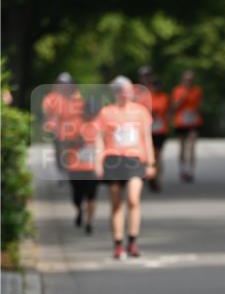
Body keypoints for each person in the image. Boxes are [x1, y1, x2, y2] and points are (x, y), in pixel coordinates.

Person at [94, 76, 155, 259]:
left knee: (133, 199)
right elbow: (99, 139)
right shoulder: (106, 112)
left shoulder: (141, 112)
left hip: (134, 159)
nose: (127, 93)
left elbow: (147, 137)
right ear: (116, 92)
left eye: (129, 90)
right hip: (113, 159)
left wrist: (151, 162)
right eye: (123, 90)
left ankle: (133, 241)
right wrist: (98, 163)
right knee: (116, 204)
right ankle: (118, 243)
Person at [65, 97, 99, 234]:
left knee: (91, 196)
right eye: (87, 111)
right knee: (76, 197)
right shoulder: (74, 123)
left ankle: (89, 222)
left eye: (92, 112)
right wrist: (76, 141)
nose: (90, 114)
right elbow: (65, 142)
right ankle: (79, 210)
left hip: (93, 167)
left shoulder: (100, 124)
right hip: (76, 167)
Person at [41, 72, 84, 173]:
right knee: (60, 151)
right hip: (58, 130)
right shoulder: (51, 97)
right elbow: (47, 113)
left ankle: (72, 170)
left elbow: (81, 112)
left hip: (74, 130)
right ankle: (62, 170)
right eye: (62, 83)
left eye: (67, 84)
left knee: (73, 151)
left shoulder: (75, 96)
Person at [171, 70, 203, 181]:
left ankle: (191, 171)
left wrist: (196, 112)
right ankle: (182, 169)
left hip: (193, 121)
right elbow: (174, 106)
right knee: (182, 146)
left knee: (192, 145)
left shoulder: (197, 91)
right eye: (186, 79)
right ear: (182, 79)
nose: (188, 81)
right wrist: (183, 97)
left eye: (190, 79)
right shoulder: (177, 90)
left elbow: (199, 105)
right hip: (181, 122)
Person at [147, 75, 170, 192]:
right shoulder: (145, 97)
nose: (155, 87)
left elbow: (167, 111)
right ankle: (151, 175)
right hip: (148, 130)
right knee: (149, 155)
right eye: (153, 84)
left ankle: (156, 178)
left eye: (157, 84)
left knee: (157, 154)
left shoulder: (164, 97)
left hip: (160, 130)